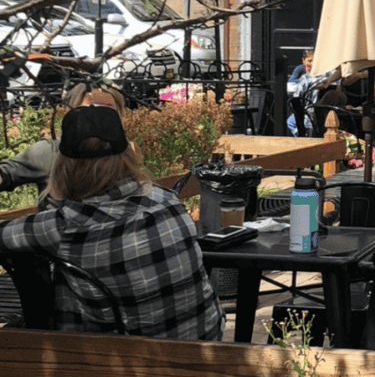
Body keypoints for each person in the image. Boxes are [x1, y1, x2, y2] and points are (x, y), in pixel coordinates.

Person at [0, 105, 224, 342]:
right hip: (207, 345)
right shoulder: (166, 199)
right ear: (127, 155)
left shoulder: (65, 225)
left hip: (127, 369)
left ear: (62, 165)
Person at [0, 81, 126, 194]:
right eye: (87, 112)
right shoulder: (52, 151)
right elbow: (7, 173)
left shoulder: (127, 150)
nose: (95, 120)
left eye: (106, 112)